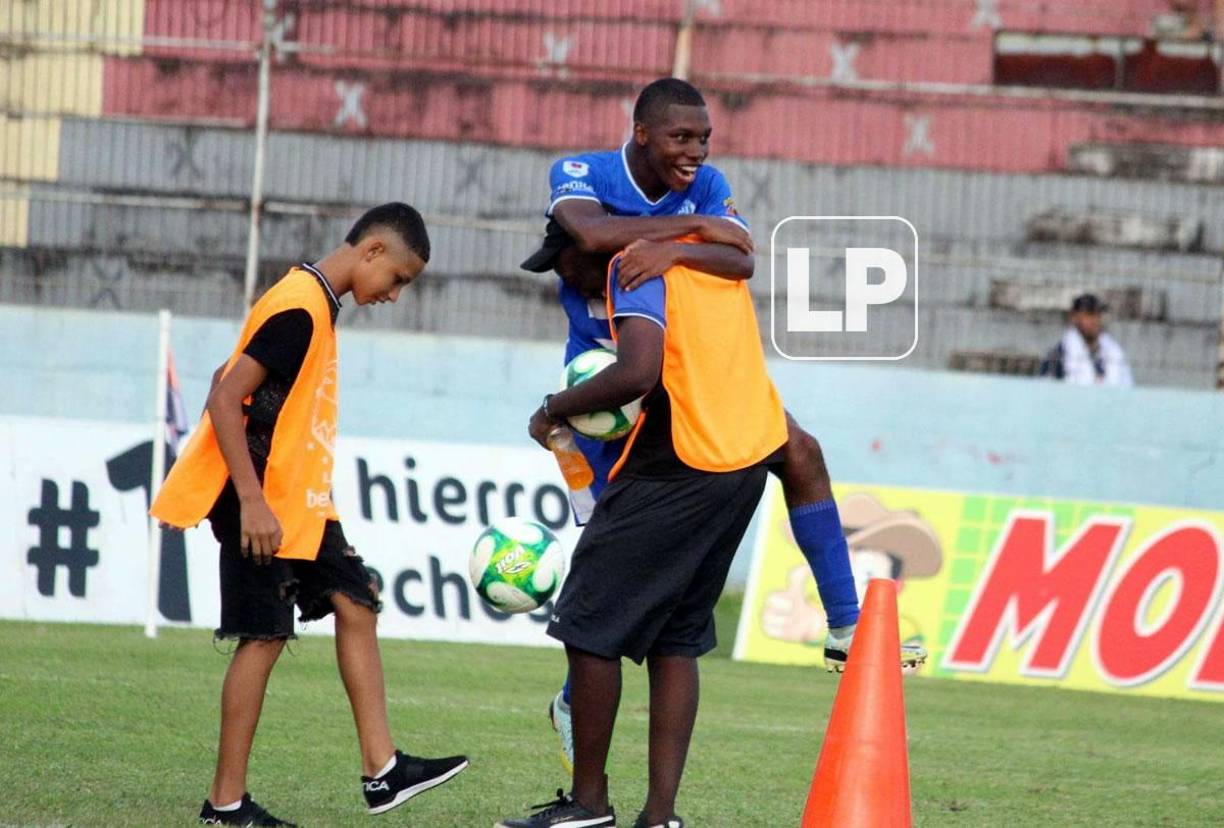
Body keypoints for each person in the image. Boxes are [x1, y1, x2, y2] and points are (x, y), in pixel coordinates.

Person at [522, 77, 925, 772]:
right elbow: (589, 231)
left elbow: (740, 259)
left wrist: (679, 247)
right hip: (606, 389)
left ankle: (845, 622)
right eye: (682, 137)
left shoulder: (705, 183)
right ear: (642, 132)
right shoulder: (583, 173)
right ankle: (574, 698)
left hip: (690, 373)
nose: (696, 151)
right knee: (616, 579)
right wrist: (695, 231)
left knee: (799, 449)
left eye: (703, 138)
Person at [150, 203, 468, 826]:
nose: (396, 296)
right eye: (399, 280)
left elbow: (227, 371)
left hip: (299, 504)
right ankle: (226, 805)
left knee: (357, 601)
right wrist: (250, 501)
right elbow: (223, 394)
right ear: (372, 251)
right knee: (264, 638)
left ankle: (383, 770)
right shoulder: (300, 306)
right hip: (261, 505)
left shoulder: (316, 304)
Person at [498, 243, 788, 828]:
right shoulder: (704, 270)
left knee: (586, 622)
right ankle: (661, 817)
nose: (564, 278)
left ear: (593, 250)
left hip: (675, 462)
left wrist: (553, 407)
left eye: (565, 263)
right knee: (676, 638)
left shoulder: (630, 272)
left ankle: (588, 805)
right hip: (738, 461)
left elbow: (635, 374)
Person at [1039, 293, 1134, 387]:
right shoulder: (1059, 355)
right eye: (1089, 314)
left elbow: (1127, 387)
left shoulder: (1114, 352)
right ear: (1073, 317)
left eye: (1098, 314)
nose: (1095, 320)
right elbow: (1046, 391)